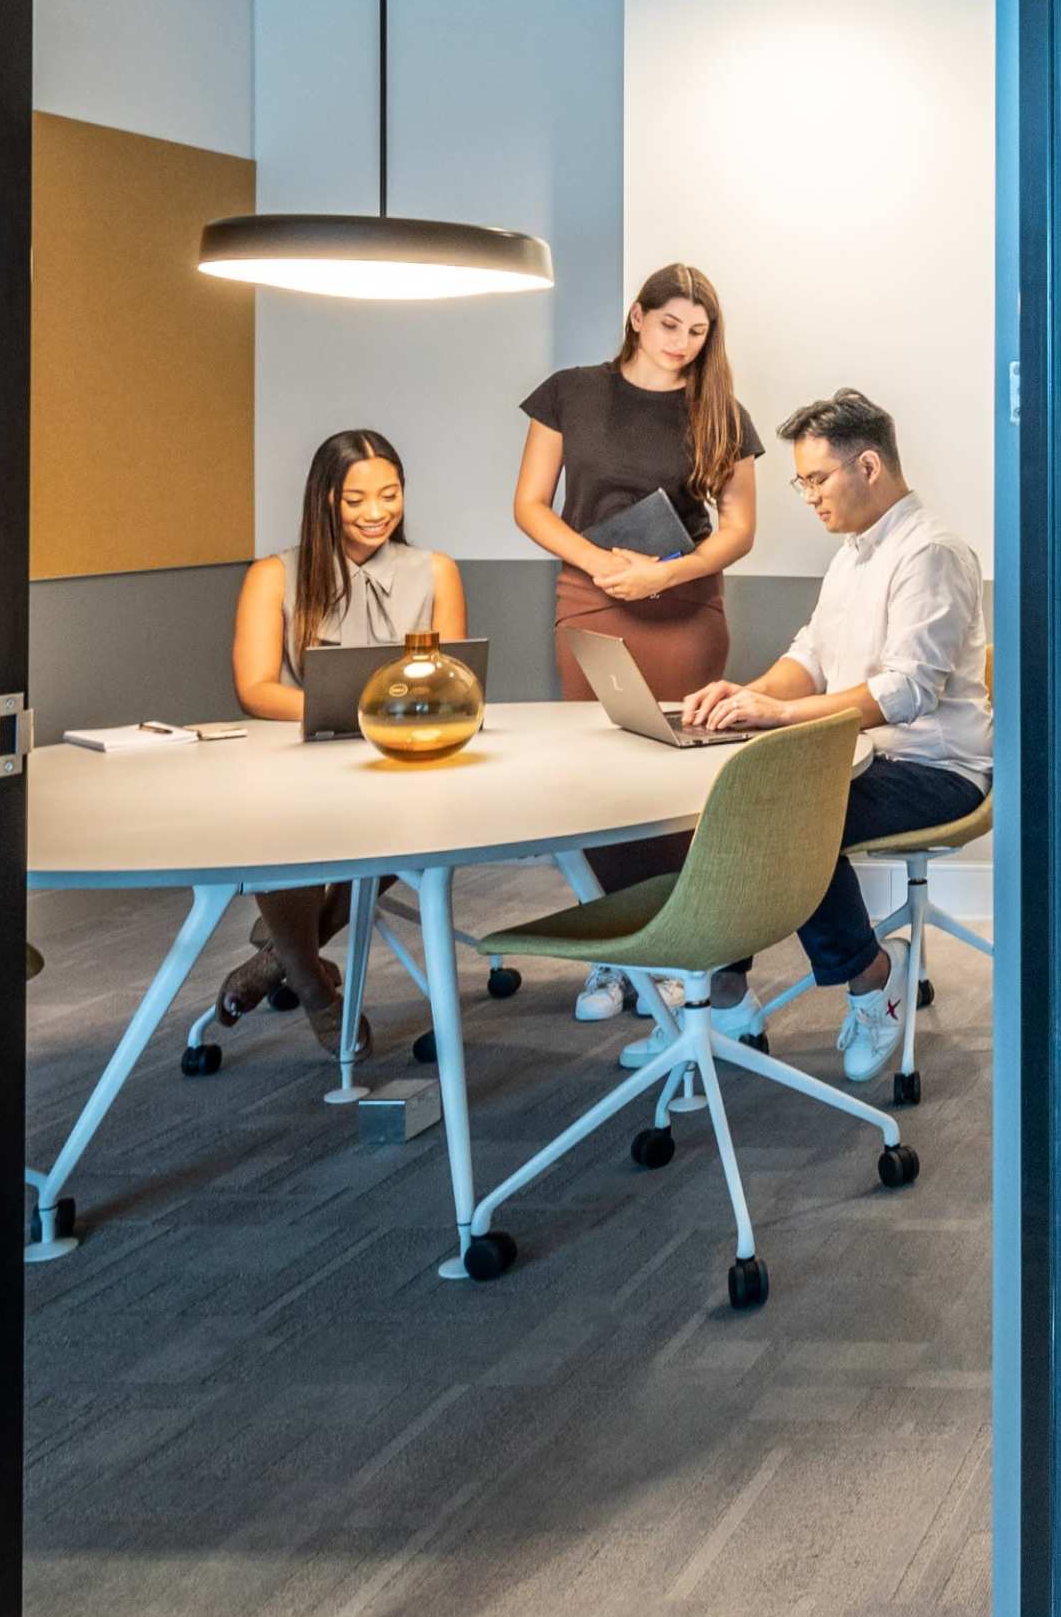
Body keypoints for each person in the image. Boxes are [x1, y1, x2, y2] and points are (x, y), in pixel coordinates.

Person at [651, 387, 991, 1086]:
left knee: (791, 809)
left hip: (937, 768)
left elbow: (907, 692)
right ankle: (726, 995)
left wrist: (778, 718)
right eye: (800, 482)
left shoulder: (931, 553)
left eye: (816, 479)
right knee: (740, 796)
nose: (807, 496)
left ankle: (873, 980)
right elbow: (809, 656)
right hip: (860, 756)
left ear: (868, 466)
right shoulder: (852, 554)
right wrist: (745, 694)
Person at [514, 262, 762, 1018]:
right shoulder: (570, 392)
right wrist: (599, 564)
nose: (681, 343)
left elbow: (740, 528)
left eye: (697, 332)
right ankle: (617, 953)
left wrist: (667, 573)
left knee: (679, 778)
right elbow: (531, 505)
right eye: (669, 325)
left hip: (682, 603)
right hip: (592, 596)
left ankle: (692, 948)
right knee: (596, 773)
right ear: (636, 316)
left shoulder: (720, 411)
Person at [219, 430, 467, 1051]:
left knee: (419, 824)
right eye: (356, 500)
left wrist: (390, 727)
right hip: (303, 757)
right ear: (325, 499)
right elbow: (255, 689)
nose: (377, 513)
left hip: (405, 757)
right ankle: (313, 988)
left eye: (390, 495)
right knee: (281, 833)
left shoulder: (435, 570)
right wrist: (359, 712)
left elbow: (453, 678)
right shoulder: (273, 575)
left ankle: (281, 958)